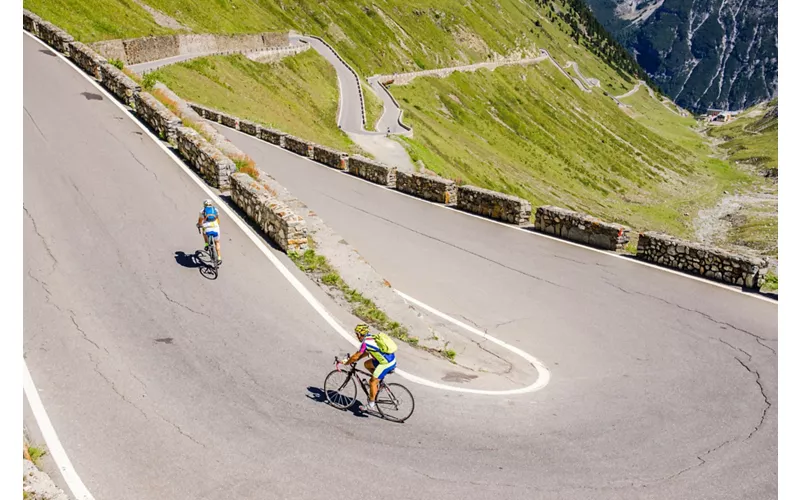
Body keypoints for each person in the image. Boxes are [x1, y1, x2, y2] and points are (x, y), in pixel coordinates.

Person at [341, 323, 396, 411]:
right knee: (367, 364)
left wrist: (347, 362)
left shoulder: (365, 343)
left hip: (386, 363)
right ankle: (378, 382)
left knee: (372, 382)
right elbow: (365, 353)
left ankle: (371, 404)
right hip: (387, 359)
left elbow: (356, 355)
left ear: (359, 334)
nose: (356, 336)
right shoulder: (370, 337)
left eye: (357, 334)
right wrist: (356, 359)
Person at [196, 199, 222, 264]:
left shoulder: (202, 211)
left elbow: (200, 221)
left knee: (204, 233)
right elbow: (218, 220)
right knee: (217, 242)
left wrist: (199, 225)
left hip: (207, 227)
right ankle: (219, 257)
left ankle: (207, 244)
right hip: (215, 227)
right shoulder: (215, 210)